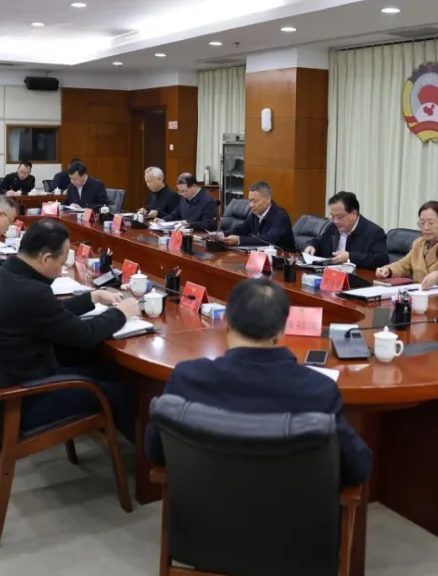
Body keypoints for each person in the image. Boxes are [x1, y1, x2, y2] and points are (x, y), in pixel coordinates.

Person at [145, 279, 372, 486]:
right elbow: (357, 468)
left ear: (225, 321)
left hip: (203, 511)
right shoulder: (319, 391)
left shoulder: (187, 378)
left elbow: (155, 451)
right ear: (282, 330)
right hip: (293, 515)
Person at [0, 218, 141, 437]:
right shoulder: (32, 292)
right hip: (26, 399)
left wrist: (92, 298)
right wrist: (121, 313)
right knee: (124, 391)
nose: (61, 269)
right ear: (45, 259)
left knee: (103, 370)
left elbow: (48, 313)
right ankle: (146, 456)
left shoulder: (2, 274)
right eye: (61, 263)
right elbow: (85, 335)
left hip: (3, 388)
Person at [376, 201, 438, 288]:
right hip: (417, 293)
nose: (425, 227)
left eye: (431, 223)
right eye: (422, 223)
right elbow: (404, 265)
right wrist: (388, 270)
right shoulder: (419, 243)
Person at [303, 191, 388, 269]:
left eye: (339, 217)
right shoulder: (332, 227)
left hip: (356, 277)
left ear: (354, 214)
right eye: (332, 216)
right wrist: (311, 246)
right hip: (330, 274)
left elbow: (381, 260)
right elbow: (319, 241)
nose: (335, 221)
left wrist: (350, 257)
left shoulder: (374, 232)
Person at [219, 181, 295, 251]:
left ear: (268, 199)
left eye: (255, 201)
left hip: (283, 258)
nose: (251, 205)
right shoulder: (255, 214)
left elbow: (268, 240)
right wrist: (221, 234)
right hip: (260, 256)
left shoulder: (280, 216)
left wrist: (239, 240)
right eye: (250, 201)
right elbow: (241, 229)